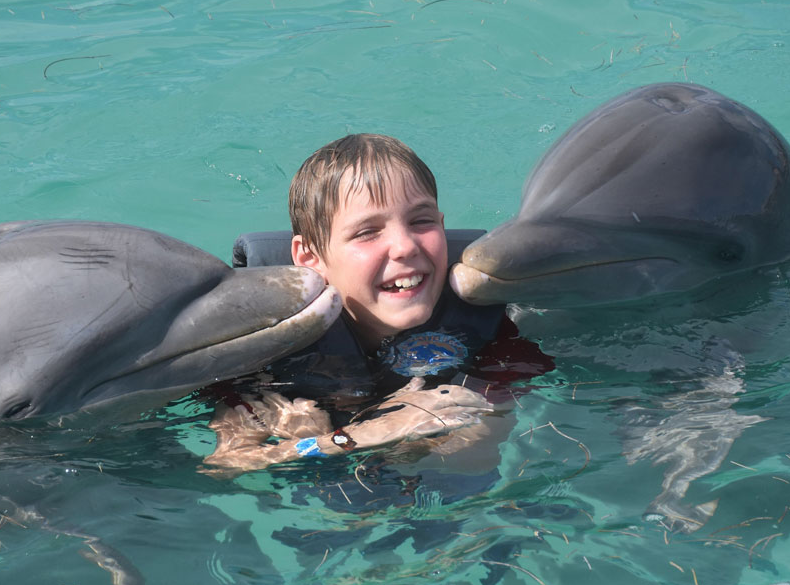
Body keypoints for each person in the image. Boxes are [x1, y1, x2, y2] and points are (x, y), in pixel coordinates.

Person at [203, 134, 552, 473]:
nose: (405, 246)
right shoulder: (266, 352)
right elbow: (228, 463)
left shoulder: (493, 330)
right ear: (309, 257)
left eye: (421, 221)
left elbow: (475, 455)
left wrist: (391, 429)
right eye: (367, 232)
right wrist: (359, 435)